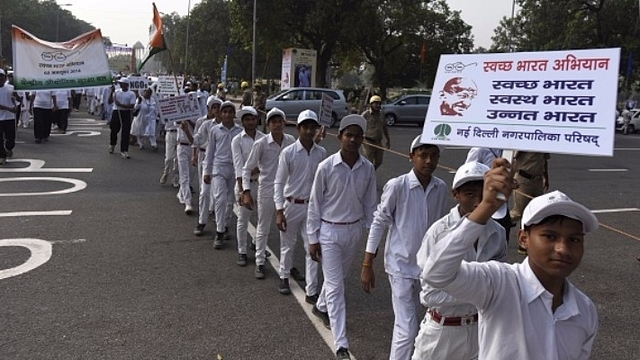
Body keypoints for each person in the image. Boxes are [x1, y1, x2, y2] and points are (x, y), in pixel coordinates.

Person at [422, 160, 599, 360]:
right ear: (524, 239)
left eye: (574, 239)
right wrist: (486, 207)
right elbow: (436, 274)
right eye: (550, 236)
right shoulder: (500, 283)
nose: (562, 249)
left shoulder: (584, 310)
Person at [361, 135, 448, 360]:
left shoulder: (440, 187)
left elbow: (440, 228)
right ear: (412, 157)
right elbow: (379, 222)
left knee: (428, 327)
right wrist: (367, 262)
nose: (429, 161)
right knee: (406, 329)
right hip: (400, 267)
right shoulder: (398, 186)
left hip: (428, 269)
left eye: (433, 156)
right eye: (423, 155)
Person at [412, 161, 508, 360]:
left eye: (482, 195)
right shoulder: (438, 233)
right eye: (469, 194)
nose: (477, 202)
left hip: (480, 330)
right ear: (455, 194)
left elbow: (499, 280)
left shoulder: (497, 232)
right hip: (443, 331)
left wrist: (472, 288)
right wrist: (480, 291)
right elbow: (431, 295)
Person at [307, 114, 377, 360]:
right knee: (336, 286)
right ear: (340, 138)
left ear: (362, 139)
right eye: (349, 135)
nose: (353, 140)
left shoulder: (367, 168)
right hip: (329, 232)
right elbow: (315, 204)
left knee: (337, 279)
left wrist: (373, 240)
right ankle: (341, 344)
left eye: (358, 136)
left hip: (353, 231)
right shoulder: (326, 167)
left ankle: (320, 306)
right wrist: (312, 238)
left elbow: (370, 206)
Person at [274, 110, 326, 298]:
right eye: (306, 127)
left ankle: (312, 290)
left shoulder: (321, 153)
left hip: (312, 207)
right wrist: (279, 210)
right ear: (298, 128)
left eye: (313, 127)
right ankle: (284, 276)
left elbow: (323, 184)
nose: (309, 131)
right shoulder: (288, 153)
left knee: (312, 247)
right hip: (291, 205)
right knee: (287, 244)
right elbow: (279, 182)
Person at [242, 107, 296, 279]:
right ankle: (259, 261)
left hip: (287, 192)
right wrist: (246, 191)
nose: (277, 125)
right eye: (273, 122)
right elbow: (246, 169)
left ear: (284, 123)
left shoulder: (291, 141)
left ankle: (288, 265)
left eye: (280, 121)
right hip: (267, 190)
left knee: (288, 232)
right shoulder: (262, 144)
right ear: (268, 124)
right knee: (263, 227)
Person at [203, 101, 243, 249]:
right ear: (221, 113)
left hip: (235, 168)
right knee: (220, 198)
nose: (227, 115)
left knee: (230, 200)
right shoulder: (215, 130)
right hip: (219, 168)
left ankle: (225, 225)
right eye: (224, 112)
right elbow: (210, 152)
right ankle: (219, 231)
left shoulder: (239, 131)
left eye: (230, 112)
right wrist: (207, 171)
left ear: (234, 114)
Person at [231, 106, 265, 265]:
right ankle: (242, 251)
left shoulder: (264, 138)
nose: (251, 122)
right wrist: (242, 191)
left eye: (253, 119)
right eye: (247, 119)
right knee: (243, 219)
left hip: (262, 184)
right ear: (242, 121)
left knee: (263, 219)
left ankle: (258, 245)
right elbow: (239, 167)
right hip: (245, 185)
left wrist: (257, 169)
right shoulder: (237, 140)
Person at [465, 147, 512, 242]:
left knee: (501, 235)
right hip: (482, 200)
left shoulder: (508, 150)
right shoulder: (478, 150)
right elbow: (467, 175)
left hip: (501, 201)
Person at [192, 96, 222, 236]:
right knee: (204, 192)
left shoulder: (231, 128)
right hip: (205, 159)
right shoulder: (205, 124)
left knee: (221, 195)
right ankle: (201, 221)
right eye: (214, 107)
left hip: (221, 163)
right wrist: (186, 130)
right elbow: (195, 140)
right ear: (209, 109)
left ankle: (221, 223)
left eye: (218, 107)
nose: (216, 110)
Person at [510, 151, 550, 254]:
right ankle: (496, 228)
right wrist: (510, 177)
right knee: (518, 213)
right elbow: (514, 159)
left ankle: (527, 243)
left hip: (537, 180)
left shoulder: (544, 143)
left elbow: (544, 161)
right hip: (523, 179)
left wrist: (546, 177)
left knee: (536, 211)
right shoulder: (525, 142)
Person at [108, 78, 137, 158]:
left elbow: (131, 105)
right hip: (116, 111)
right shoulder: (117, 92)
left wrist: (121, 105)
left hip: (126, 113)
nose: (120, 84)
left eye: (122, 83)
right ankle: (112, 144)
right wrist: (112, 92)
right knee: (114, 129)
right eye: (120, 83)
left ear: (126, 85)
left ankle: (124, 150)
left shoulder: (131, 94)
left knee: (126, 131)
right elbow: (109, 101)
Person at [361, 95, 390, 170]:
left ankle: (370, 172)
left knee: (378, 161)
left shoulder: (381, 114)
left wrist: (388, 140)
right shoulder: (365, 115)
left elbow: (384, 128)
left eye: (379, 104)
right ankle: (367, 176)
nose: (378, 105)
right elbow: (359, 126)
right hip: (368, 142)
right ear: (371, 104)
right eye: (376, 103)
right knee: (369, 162)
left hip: (378, 142)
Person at [177, 118, 197, 215]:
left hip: (193, 147)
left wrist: (189, 120)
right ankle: (188, 202)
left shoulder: (198, 111)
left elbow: (198, 127)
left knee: (191, 174)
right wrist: (181, 120)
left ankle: (181, 193)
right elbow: (175, 121)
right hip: (182, 145)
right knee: (184, 175)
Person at [0, 69, 17, 165]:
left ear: (4, 77)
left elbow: (16, 99)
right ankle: (2, 156)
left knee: (11, 138)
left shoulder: (11, 88)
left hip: (9, 118)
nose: (0, 78)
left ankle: (9, 148)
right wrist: (9, 108)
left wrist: (16, 104)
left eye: (1, 76)